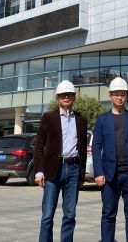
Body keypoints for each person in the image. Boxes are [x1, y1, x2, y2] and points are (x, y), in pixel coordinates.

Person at [92, 77, 128, 242]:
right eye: (116, 94)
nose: (119, 97)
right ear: (110, 96)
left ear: (126, 96)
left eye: (122, 94)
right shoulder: (102, 120)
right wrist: (98, 172)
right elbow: (96, 148)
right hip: (110, 176)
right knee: (108, 215)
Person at [34, 80, 88, 242]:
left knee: (70, 215)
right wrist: (39, 171)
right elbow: (39, 146)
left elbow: (83, 149)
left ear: (74, 97)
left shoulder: (81, 119)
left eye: (69, 94)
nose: (66, 97)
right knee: (47, 215)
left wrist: (81, 174)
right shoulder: (48, 117)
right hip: (53, 170)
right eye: (63, 95)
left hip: (73, 169)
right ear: (57, 98)